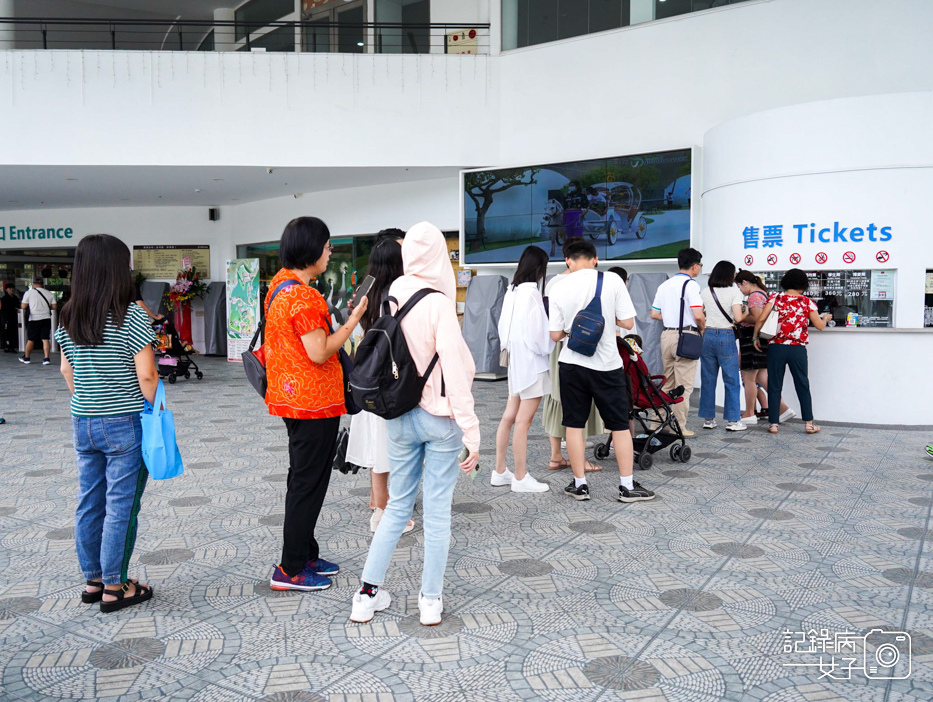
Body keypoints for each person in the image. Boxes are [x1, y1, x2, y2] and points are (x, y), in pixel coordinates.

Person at [350, 222, 480, 627]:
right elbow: (456, 370)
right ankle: (429, 600)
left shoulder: (390, 294)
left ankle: (366, 596)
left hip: (399, 416)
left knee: (395, 510)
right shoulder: (439, 302)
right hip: (439, 419)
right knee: (438, 513)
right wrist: (472, 432)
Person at [54, 234, 159, 612]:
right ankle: (116, 586)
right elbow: (147, 375)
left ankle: (93, 581)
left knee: (89, 502)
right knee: (120, 505)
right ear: (117, 268)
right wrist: (155, 413)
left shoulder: (67, 314)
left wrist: (88, 397)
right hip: (124, 421)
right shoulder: (130, 314)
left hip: (83, 419)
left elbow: (67, 370)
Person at [265, 216, 369, 592]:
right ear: (310, 249)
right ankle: (290, 569)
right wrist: (352, 320)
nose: (329, 252)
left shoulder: (280, 285)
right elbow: (320, 351)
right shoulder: (302, 295)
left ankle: (306, 553)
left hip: (292, 399)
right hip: (312, 403)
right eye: (326, 246)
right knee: (308, 483)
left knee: (302, 479)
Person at [548, 238, 655, 503]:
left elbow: (555, 334)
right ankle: (627, 486)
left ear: (568, 261)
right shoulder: (612, 280)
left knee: (573, 424)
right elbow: (628, 321)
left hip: (572, 363)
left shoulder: (558, 286)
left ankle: (580, 485)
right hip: (607, 365)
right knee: (619, 425)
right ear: (595, 260)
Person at [346, 229, 415, 534]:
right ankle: (384, 514)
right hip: (391, 378)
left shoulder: (366, 291)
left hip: (368, 376)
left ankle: (378, 503)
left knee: (377, 444)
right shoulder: (397, 294)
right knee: (389, 447)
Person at [492, 245, 553, 493]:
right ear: (540, 268)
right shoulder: (532, 294)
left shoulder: (512, 291)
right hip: (532, 364)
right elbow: (539, 337)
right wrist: (552, 343)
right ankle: (520, 477)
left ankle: (500, 471)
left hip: (515, 362)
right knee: (523, 422)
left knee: (510, 416)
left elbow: (502, 329)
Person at [752, 268, 832, 435]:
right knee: (802, 384)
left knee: (774, 385)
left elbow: (761, 319)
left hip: (776, 347)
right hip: (797, 350)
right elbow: (819, 326)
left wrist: (755, 337)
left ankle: (773, 423)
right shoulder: (806, 302)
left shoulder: (775, 298)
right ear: (803, 284)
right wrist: (825, 318)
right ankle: (809, 423)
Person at [543, 259, 605, 474]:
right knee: (581, 399)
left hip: (556, 346)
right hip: (579, 346)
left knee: (556, 397)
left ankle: (555, 456)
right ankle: (580, 461)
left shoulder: (553, 283)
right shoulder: (589, 283)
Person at [650, 248, 705, 436]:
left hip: (667, 336)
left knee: (667, 382)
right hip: (687, 336)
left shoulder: (664, 285)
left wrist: (673, 318)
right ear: (695, 266)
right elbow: (698, 314)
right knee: (684, 386)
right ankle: (679, 427)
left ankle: (657, 421)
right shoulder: (691, 285)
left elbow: (654, 314)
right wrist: (702, 327)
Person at [734, 271, 792, 425]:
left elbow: (758, 317)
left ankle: (749, 413)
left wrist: (740, 316)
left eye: (739, 285)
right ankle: (783, 408)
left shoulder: (755, 296)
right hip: (761, 340)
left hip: (752, 339)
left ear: (745, 282)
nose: (739, 289)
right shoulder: (764, 294)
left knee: (749, 378)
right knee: (762, 378)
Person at [698, 261, 748, 432]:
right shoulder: (734, 291)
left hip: (708, 335)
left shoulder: (706, 291)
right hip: (726, 336)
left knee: (708, 379)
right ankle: (733, 421)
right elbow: (738, 318)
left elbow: (699, 314)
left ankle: (708, 419)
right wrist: (746, 311)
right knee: (731, 380)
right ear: (729, 275)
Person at [20, 276, 57, 365]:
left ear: (33, 284)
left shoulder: (28, 293)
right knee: (45, 339)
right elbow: (54, 307)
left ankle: (27, 357)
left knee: (31, 339)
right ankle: (46, 358)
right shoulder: (49, 293)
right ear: (42, 284)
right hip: (46, 318)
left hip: (34, 319)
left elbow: (23, 307)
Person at [1, 282, 20, 352]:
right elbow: (3, 308)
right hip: (7, 318)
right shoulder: (4, 298)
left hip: (14, 317)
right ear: (6, 290)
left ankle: (12, 345)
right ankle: (7, 346)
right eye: (10, 288)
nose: (11, 290)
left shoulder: (15, 298)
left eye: (12, 288)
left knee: (13, 332)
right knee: (7, 332)